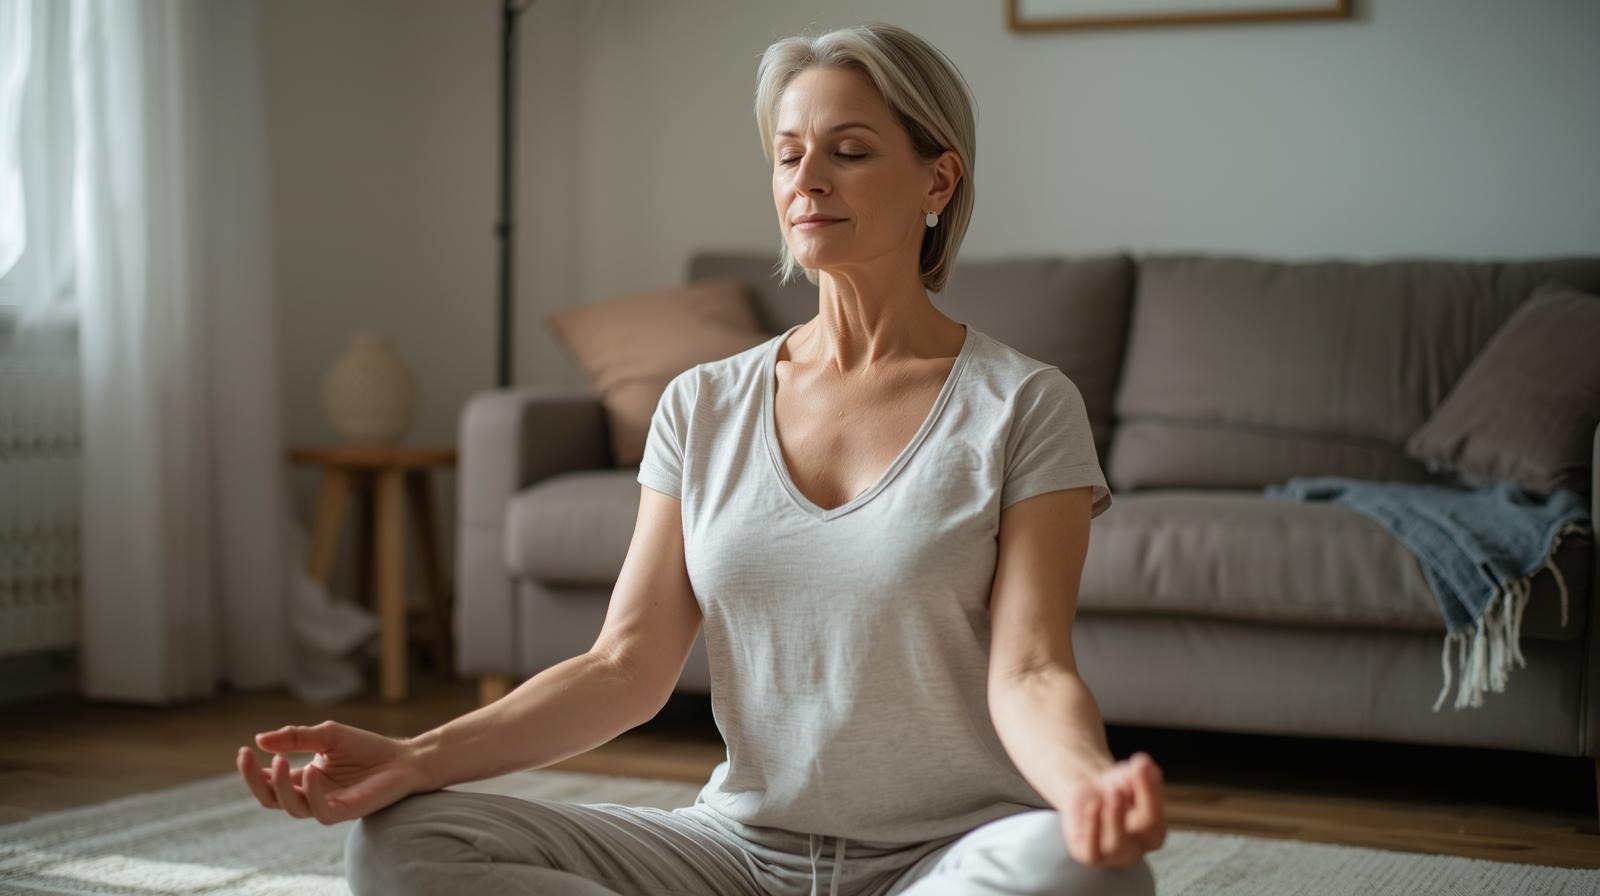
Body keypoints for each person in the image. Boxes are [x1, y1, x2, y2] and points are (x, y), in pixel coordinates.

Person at [236, 21, 1165, 896]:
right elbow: (625, 665)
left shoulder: (1023, 404)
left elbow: (1032, 671)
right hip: (738, 855)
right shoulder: (703, 403)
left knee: (1091, 872)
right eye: (789, 153)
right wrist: (413, 758)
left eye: (849, 150)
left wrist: (1087, 786)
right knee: (404, 841)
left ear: (938, 181)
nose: (808, 179)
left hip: (944, 861)